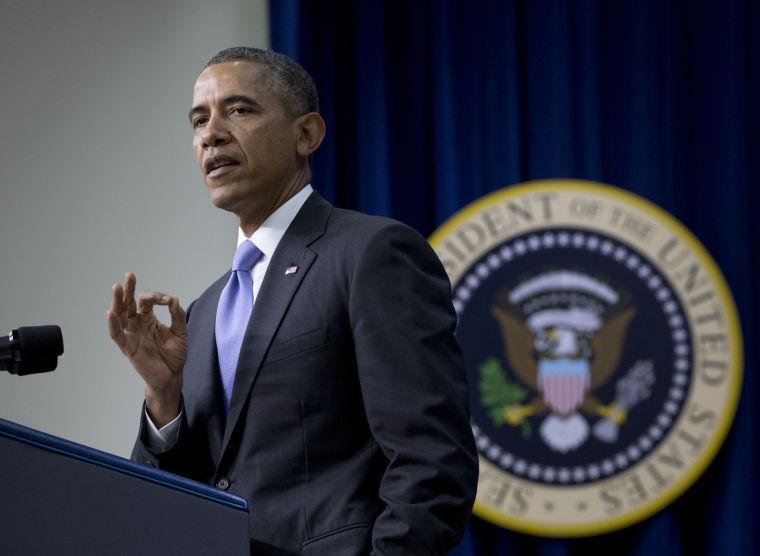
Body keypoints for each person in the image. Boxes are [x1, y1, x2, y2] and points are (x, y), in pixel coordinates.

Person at [107, 47, 477, 555]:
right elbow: (171, 498)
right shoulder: (207, 308)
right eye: (199, 120)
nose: (211, 133)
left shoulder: (371, 254)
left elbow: (432, 462)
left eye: (238, 110)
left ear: (307, 134)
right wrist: (163, 398)